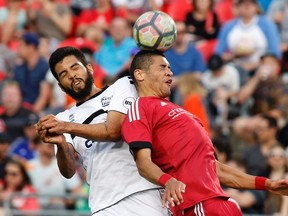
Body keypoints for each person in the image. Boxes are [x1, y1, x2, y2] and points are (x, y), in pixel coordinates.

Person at [121, 50, 288, 216]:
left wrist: (267, 184)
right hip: (197, 205)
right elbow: (143, 163)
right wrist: (168, 180)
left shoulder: (181, 111)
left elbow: (216, 169)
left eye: (169, 67)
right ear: (140, 74)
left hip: (222, 202)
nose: (169, 72)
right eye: (162, 67)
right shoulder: (140, 108)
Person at [35, 46, 170, 215]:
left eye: (75, 67)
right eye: (63, 74)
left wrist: (65, 127)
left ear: (89, 68)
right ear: (61, 87)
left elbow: (113, 132)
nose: (71, 75)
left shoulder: (122, 86)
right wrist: (62, 143)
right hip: (102, 204)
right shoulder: (63, 117)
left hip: (142, 191)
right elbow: (68, 171)